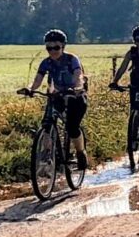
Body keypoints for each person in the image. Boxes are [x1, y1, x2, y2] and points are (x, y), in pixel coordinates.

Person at [18, 29, 89, 170]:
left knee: (72, 127)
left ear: (63, 46)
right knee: (47, 123)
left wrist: (77, 87)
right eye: (49, 48)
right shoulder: (46, 63)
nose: (52, 51)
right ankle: (47, 154)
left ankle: (81, 153)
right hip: (57, 95)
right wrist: (30, 89)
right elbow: (38, 79)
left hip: (76, 96)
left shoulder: (71, 59)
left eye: (56, 47)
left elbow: (78, 75)